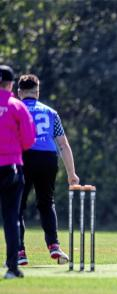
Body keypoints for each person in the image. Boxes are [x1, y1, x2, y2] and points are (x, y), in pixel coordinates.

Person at [16, 74, 79, 266]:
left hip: (24, 157)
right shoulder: (51, 112)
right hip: (48, 158)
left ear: (19, 92)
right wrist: (71, 174)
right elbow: (63, 145)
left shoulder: (16, 109)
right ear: (37, 92)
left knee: (17, 206)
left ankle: (20, 252)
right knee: (46, 202)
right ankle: (54, 246)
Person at [0, 65, 36, 279]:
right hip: (11, 167)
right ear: (12, 84)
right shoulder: (17, 106)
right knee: (11, 217)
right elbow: (29, 140)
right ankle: (12, 267)